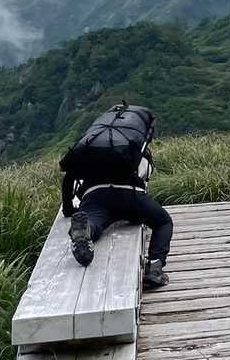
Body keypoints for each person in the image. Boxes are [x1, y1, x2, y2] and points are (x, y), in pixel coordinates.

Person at [60, 103, 174, 289]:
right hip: (131, 196)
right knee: (163, 222)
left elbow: (68, 178)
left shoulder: (92, 145)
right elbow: (145, 175)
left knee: (95, 222)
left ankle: (87, 229)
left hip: (95, 195)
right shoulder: (135, 148)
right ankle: (155, 268)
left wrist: (68, 209)